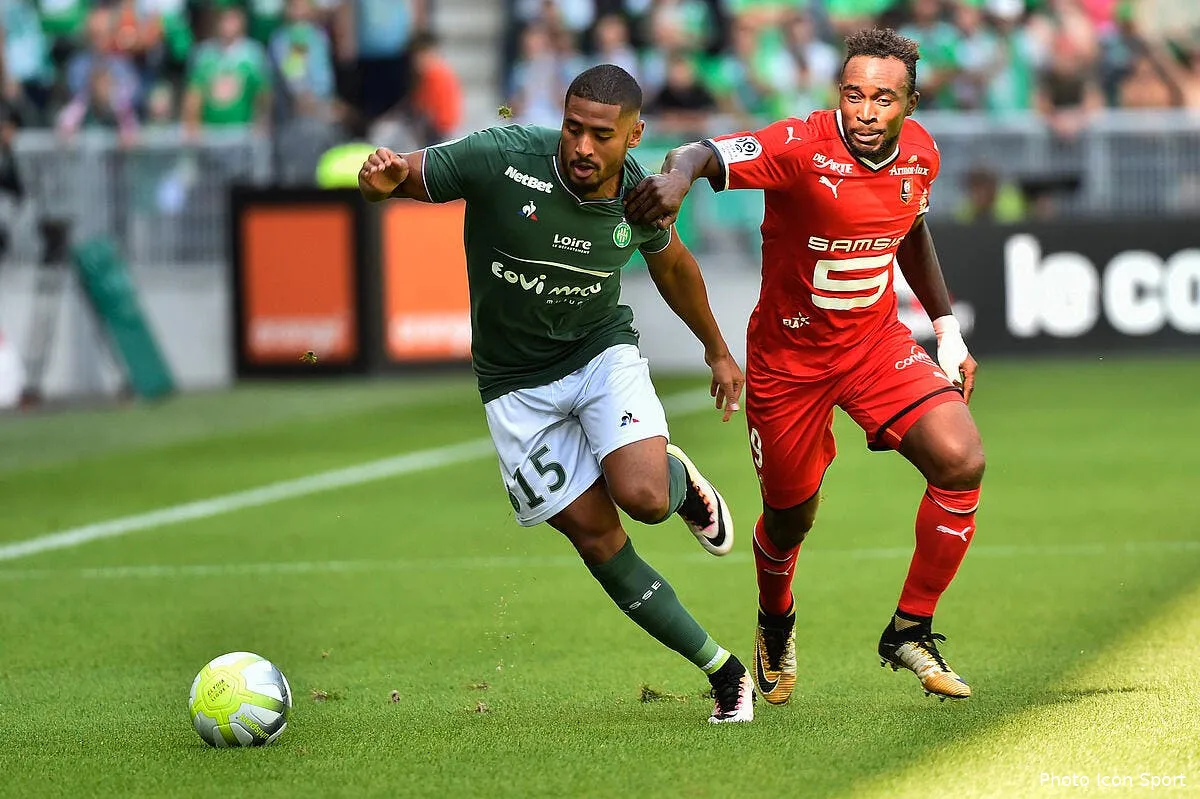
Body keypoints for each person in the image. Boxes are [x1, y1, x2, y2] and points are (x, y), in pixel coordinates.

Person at [358, 64, 755, 723]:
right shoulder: (502, 157)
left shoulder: (640, 197)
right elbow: (404, 175)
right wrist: (381, 181)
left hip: (599, 352)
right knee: (599, 539)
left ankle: (678, 485)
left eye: (601, 134)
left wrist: (717, 349)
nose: (581, 146)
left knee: (645, 497)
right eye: (573, 128)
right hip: (514, 387)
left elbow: (675, 265)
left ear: (634, 137)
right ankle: (724, 672)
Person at [624, 28, 986, 704]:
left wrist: (947, 329)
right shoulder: (800, 146)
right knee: (790, 519)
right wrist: (675, 178)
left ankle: (911, 626)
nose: (866, 111)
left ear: (910, 104)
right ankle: (775, 615)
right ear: (837, 95)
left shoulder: (920, 156)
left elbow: (912, 231)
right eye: (854, 94)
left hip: (876, 345)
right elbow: (700, 152)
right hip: (789, 366)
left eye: (884, 98)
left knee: (961, 458)